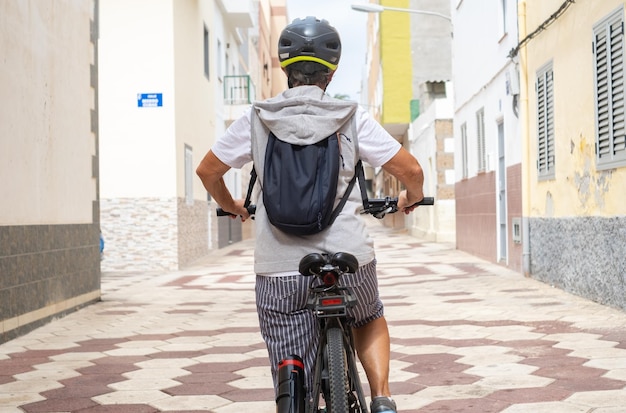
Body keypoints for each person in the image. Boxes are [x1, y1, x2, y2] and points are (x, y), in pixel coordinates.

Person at [196, 16, 425, 413]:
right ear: (331, 72)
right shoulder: (352, 118)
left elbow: (208, 170)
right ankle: (382, 398)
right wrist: (411, 197)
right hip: (350, 259)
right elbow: (411, 171)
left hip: (280, 268)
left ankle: (292, 390)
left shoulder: (256, 119)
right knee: (367, 314)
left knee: (288, 340)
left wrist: (232, 205)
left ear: (285, 68)